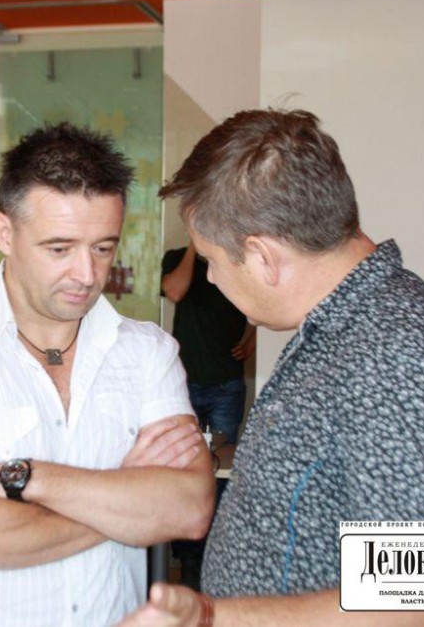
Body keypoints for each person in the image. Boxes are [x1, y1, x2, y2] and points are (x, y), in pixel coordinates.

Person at [120, 109, 424, 626]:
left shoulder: (402, 354)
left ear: (262, 256)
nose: (211, 279)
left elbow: (419, 606)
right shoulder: (340, 330)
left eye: (211, 260)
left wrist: (208, 617)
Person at [0, 123, 216, 625]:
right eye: (59, 248)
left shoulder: (146, 351)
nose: (87, 274)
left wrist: (28, 479)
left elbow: (189, 508)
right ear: (4, 233)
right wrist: (125, 501)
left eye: (103, 248)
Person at [161, 245, 255, 590]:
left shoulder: (236, 256)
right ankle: (187, 558)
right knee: (183, 470)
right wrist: (194, 247)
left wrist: (252, 339)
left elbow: (259, 303)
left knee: (221, 474)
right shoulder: (176, 258)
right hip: (182, 383)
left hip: (226, 384)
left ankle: (212, 556)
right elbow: (175, 290)